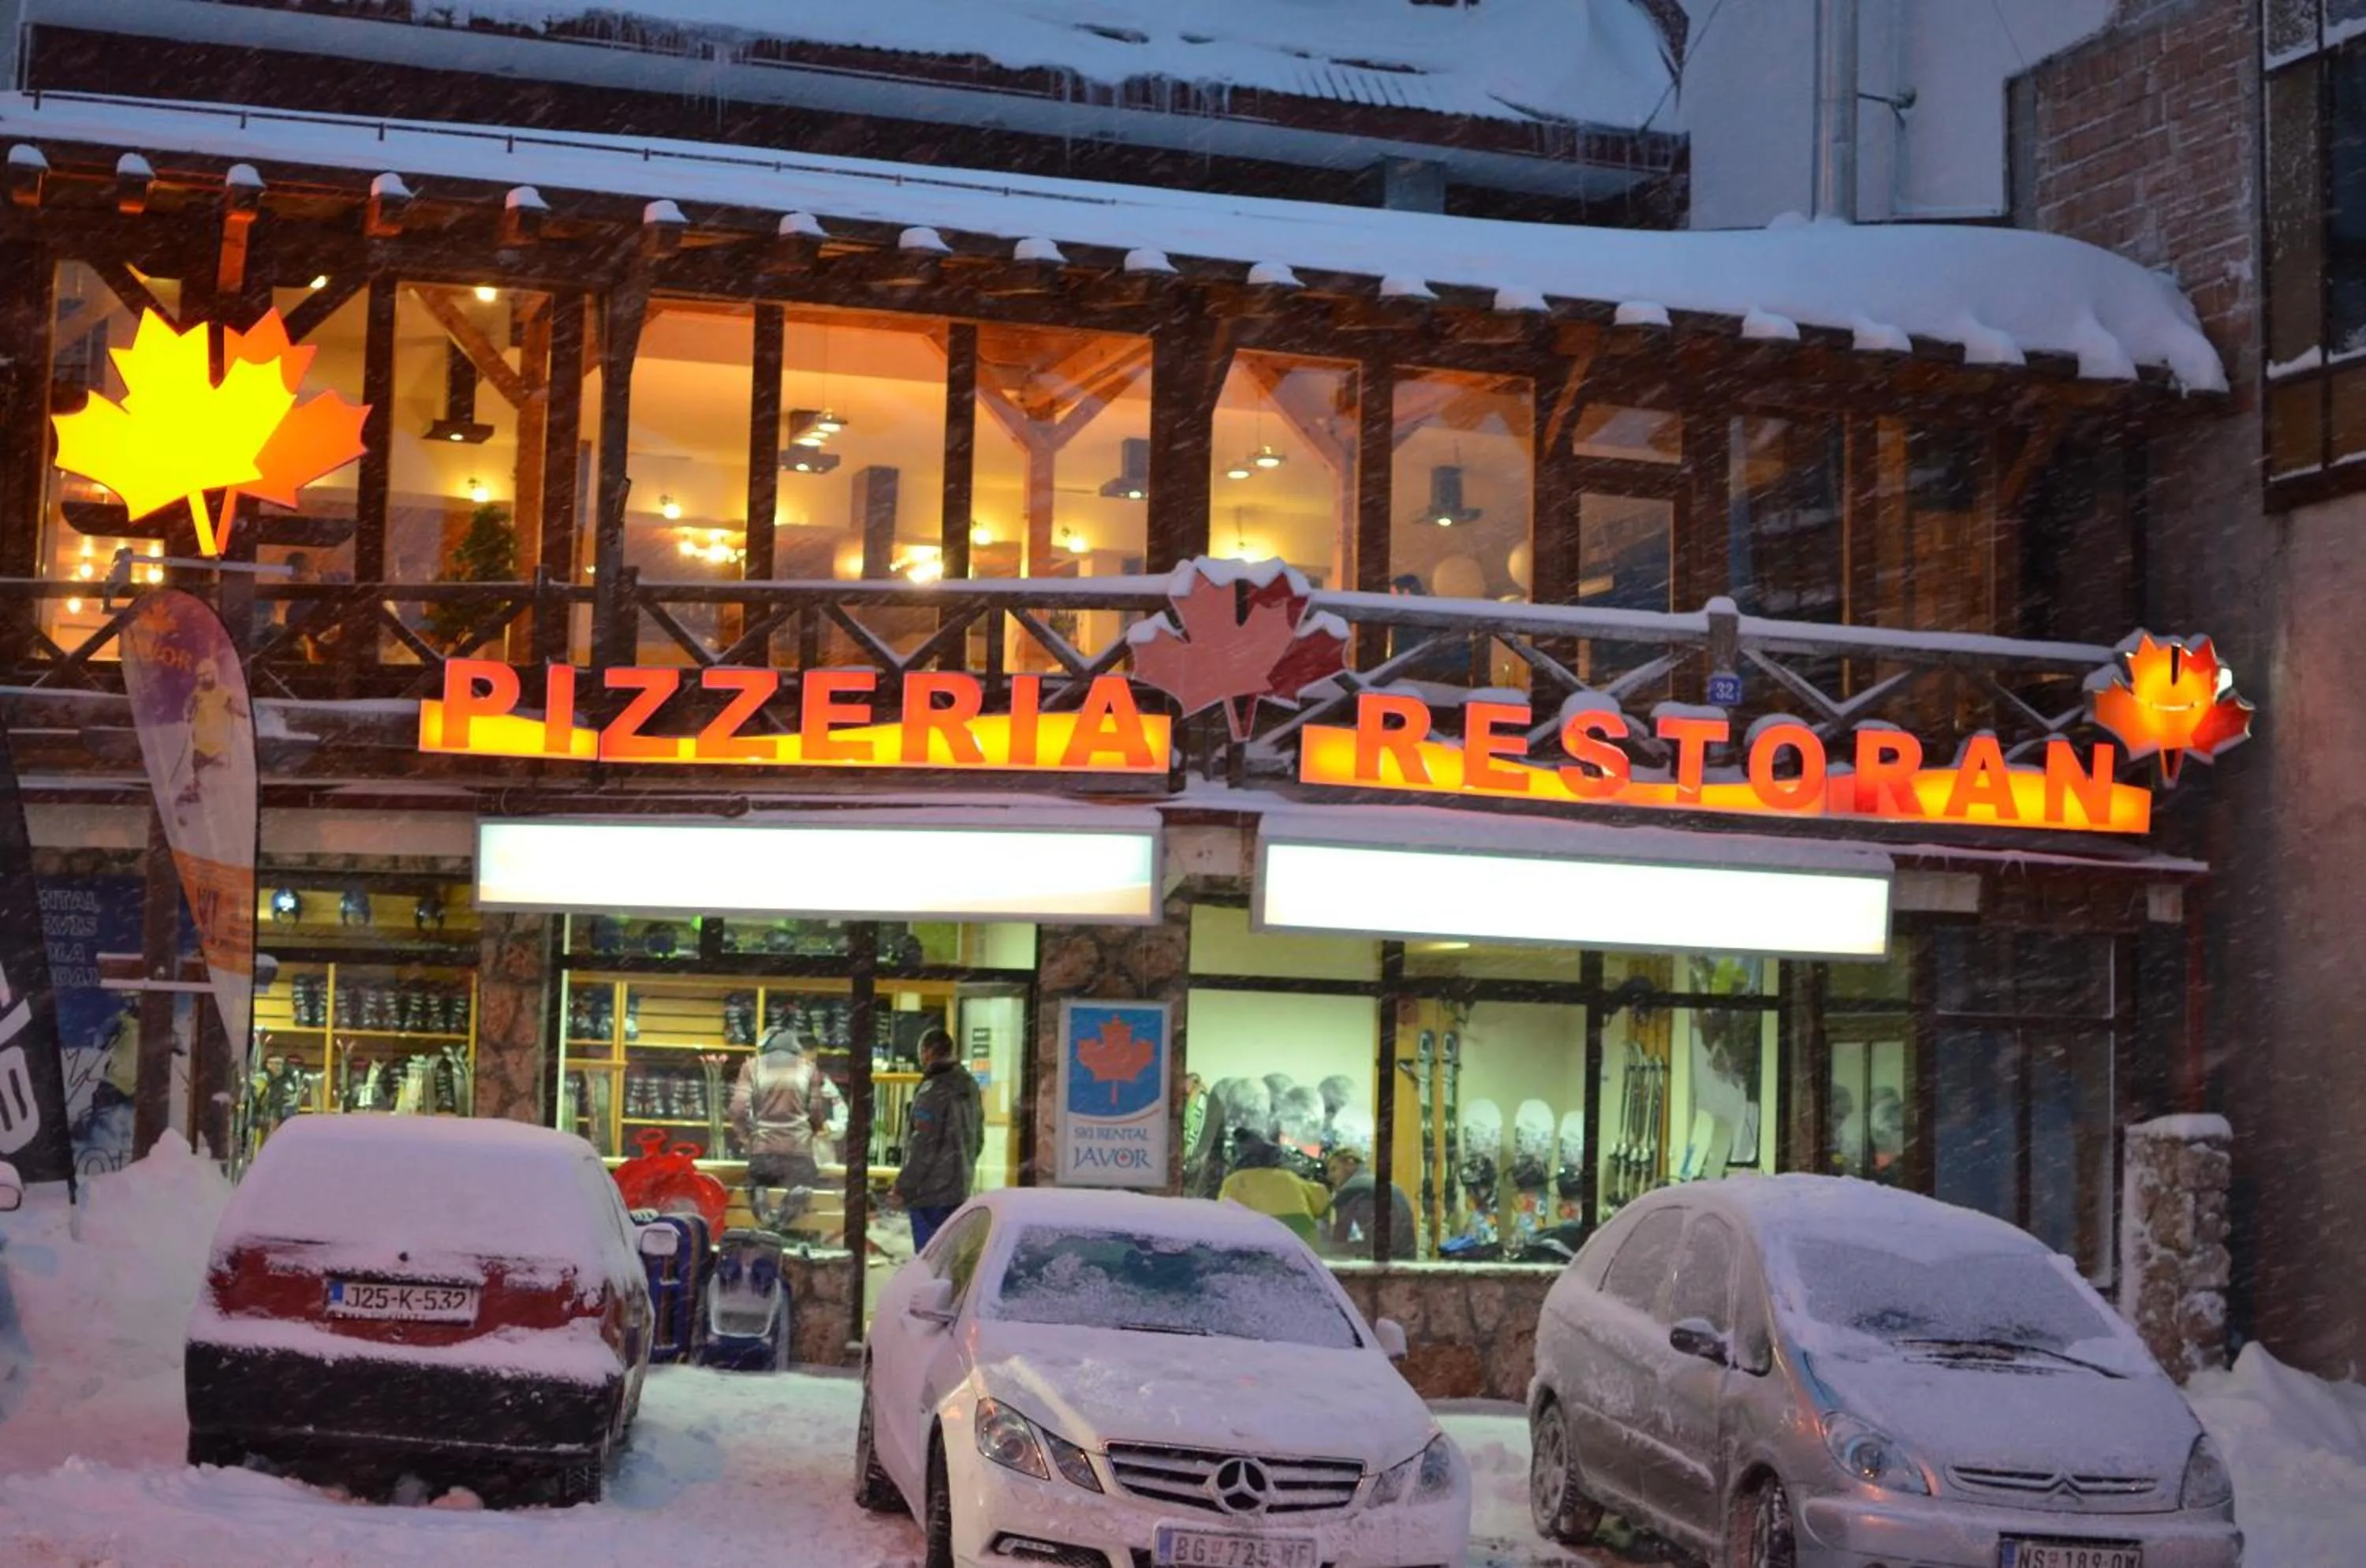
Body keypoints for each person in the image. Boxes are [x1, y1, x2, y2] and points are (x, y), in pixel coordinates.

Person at [730, 1024, 844, 1232]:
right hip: (798, 1156)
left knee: (757, 1180)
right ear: (796, 1049)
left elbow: (737, 1111)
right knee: (805, 1183)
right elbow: (816, 1113)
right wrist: (814, 1130)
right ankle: (793, 1203)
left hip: (763, 1154)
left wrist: (747, 1138)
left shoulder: (752, 1067)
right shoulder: (809, 1069)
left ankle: (759, 1195)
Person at [893, 1026, 983, 1252]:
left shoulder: (932, 1091)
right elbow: (978, 1138)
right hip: (959, 1190)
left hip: (930, 1196)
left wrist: (903, 1186)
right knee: (949, 1259)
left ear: (927, 1052)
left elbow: (922, 1147)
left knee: (928, 1261)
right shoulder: (970, 1086)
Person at [1218, 1127, 1330, 1244]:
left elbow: (1225, 1217)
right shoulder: (1288, 1177)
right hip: (1303, 1236)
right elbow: (1321, 1198)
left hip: (1261, 1239)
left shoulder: (1234, 1181)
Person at [1322, 1146, 1416, 1260]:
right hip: (1407, 1258)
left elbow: (1339, 1237)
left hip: (1384, 1259)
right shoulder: (1383, 1183)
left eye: (1334, 1169)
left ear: (1350, 1163)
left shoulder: (1350, 1189)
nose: (1329, 1177)